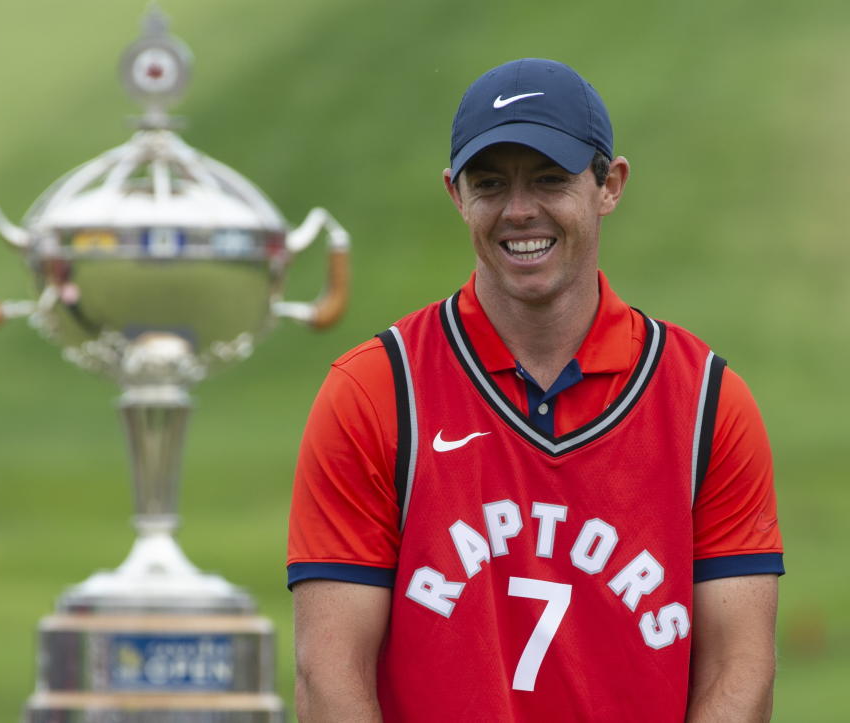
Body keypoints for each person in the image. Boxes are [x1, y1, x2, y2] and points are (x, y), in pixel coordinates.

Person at [287, 58, 783, 722]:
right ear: (455, 194)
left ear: (610, 184)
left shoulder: (706, 402)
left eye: (550, 179)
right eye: (490, 183)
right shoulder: (376, 392)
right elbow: (330, 673)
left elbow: (739, 667)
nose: (519, 211)